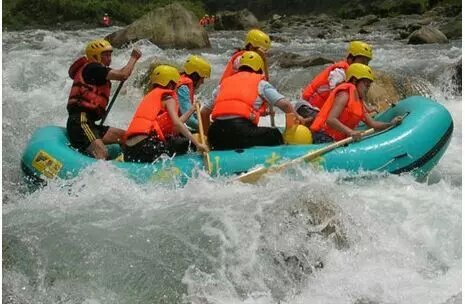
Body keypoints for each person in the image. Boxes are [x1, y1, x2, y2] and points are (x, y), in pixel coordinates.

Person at [203, 51, 305, 150]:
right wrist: (298, 117)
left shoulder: (223, 84)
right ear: (259, 68)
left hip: (216, 135)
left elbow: (204, 112)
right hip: (241, 132)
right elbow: (285, 105)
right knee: (274, 134)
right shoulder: (261, 83)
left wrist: (207, 138)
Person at [66, 39, 141, 160]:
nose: (109, 58)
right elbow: (123, 74)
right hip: (80, 121)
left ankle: (129, 162)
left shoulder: (98, 71)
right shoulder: (92, 68)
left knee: (126, 138)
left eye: (110, 54)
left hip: (90, 123)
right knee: (102, 153)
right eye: (105, 55)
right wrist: (133, 58)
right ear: (95, 56)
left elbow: (122, 73)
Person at [123, 65, 209, 163]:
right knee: (188, 143)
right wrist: (197, 144)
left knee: (173, 139)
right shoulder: (169, 98)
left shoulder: (150, 97)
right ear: (170, 83)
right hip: (147, 147)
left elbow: (174, 126)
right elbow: (177, 124)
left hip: (129, 151)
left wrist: (191, 110)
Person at [310, 63, 402, 144]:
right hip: (322, 136)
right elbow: (331, 120)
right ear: (354, 81)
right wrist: (350, 132)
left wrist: (391, 124)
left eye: (369, 86)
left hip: (335, 139)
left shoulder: (359, 102)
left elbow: (373, 124)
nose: (367, 89)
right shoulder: (344, 94)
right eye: (365, 85)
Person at [296, 41, 373, 124]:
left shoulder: (352, 75)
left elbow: (356, 96)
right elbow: (336, 93)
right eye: (362, 61)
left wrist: (366, 109)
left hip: (318, 109)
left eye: (367, 63)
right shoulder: (340, 72)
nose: (364, 65)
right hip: (306, 106)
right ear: (351, 58)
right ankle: (302, 122)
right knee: (322, 120)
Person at [177, 55, 212, 131]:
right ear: (195, 76)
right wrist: (208, 128)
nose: (202, 82)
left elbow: (190, 115)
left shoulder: (181, 82)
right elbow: (189, 120)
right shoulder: (183, 89)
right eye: (202, 78)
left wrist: (207, 122)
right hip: (163, 135)